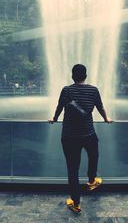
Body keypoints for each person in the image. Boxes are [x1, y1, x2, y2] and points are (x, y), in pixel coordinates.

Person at [48, 64, 112, 214]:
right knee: (94, 155)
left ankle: (76, 203)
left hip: (69, 136)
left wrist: (54, 118)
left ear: (72, 76)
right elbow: (100, 107)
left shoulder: (66, 90)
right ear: (86, 76)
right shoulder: (93, 90)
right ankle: (91, 180)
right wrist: (106, 118)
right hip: (88, 134)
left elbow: (59, 107)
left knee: (72, 170)